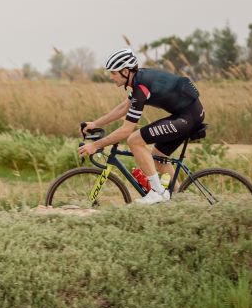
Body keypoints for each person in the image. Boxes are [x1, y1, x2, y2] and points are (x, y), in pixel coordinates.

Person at [78, 48, 204, 205]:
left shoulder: (141, 88)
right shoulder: (139, 79)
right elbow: (124, 107)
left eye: (113, 73)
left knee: (134, 140)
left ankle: (158, 192)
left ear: (125, 71)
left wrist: (95, 145)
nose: (111, 77)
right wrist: (95, 124)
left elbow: (126, 130)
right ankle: (179, 202)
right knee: (159, 158)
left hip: (187, 117)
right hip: (186, 115)